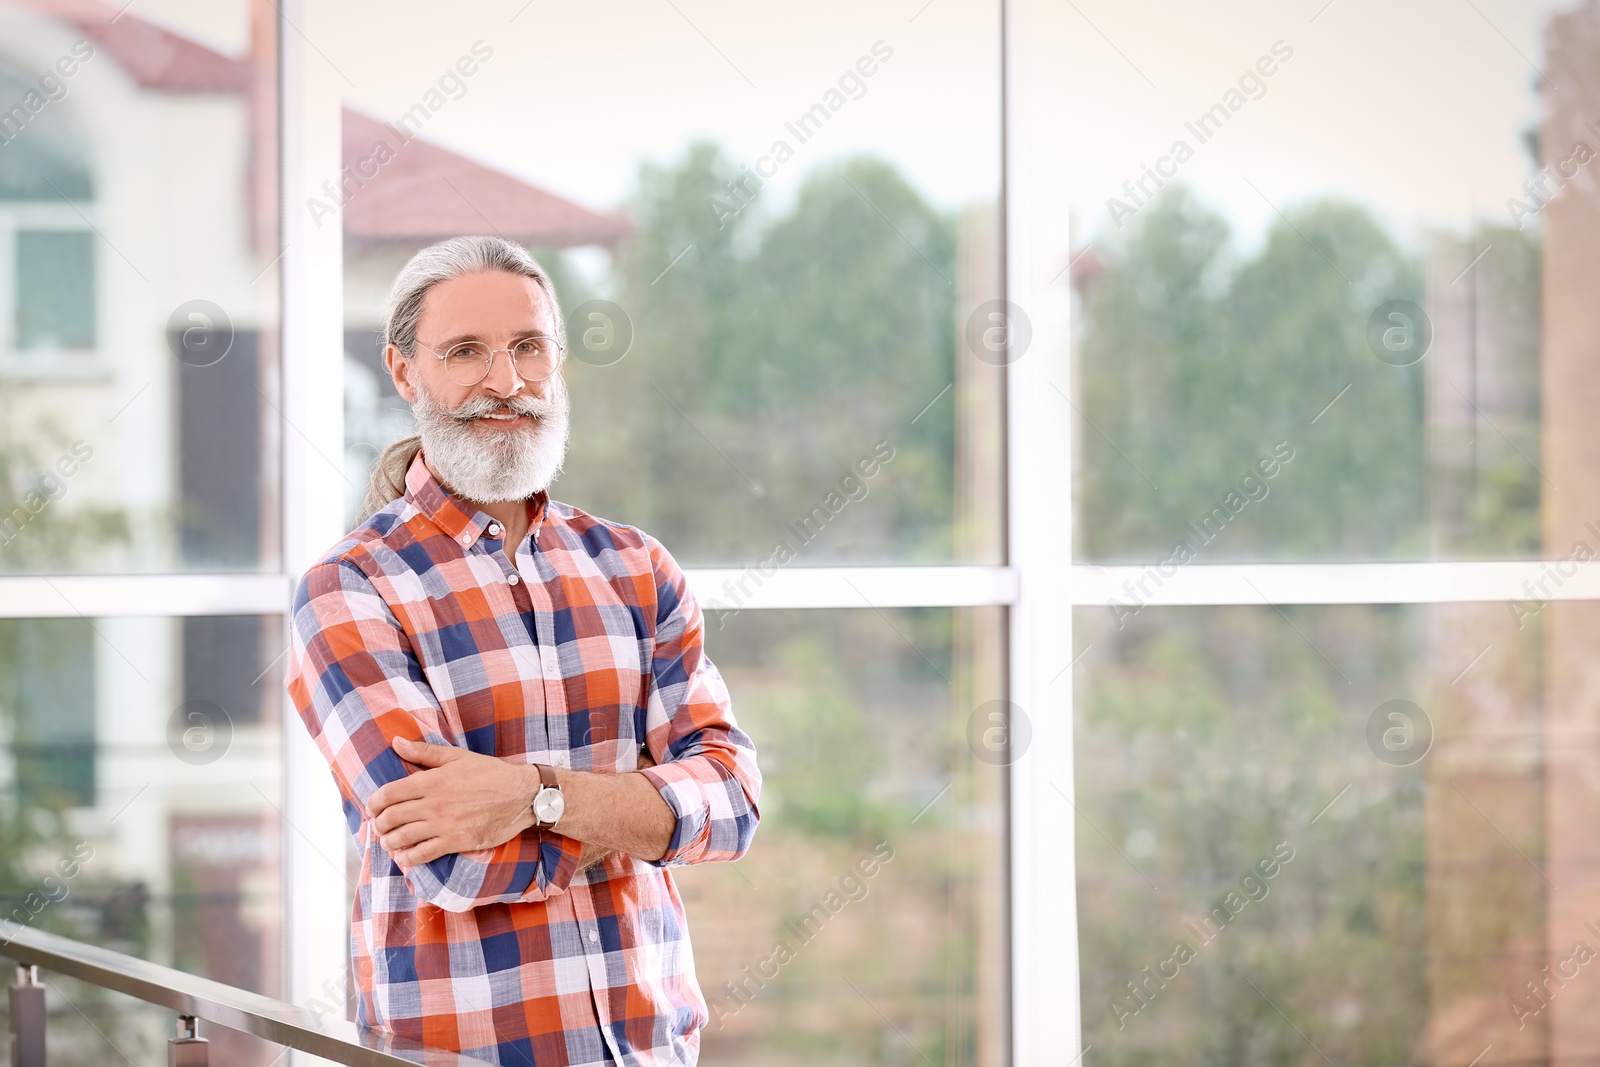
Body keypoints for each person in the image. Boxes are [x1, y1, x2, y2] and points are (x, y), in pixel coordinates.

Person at [285, 234, 761, 1066]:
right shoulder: (350, 590)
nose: (505, 383)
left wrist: (533, 796)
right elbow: (460, 866)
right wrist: (646, 812)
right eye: (466, 351)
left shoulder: (636, 567)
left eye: (528, 347)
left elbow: (731, 804)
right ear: (404, 372)